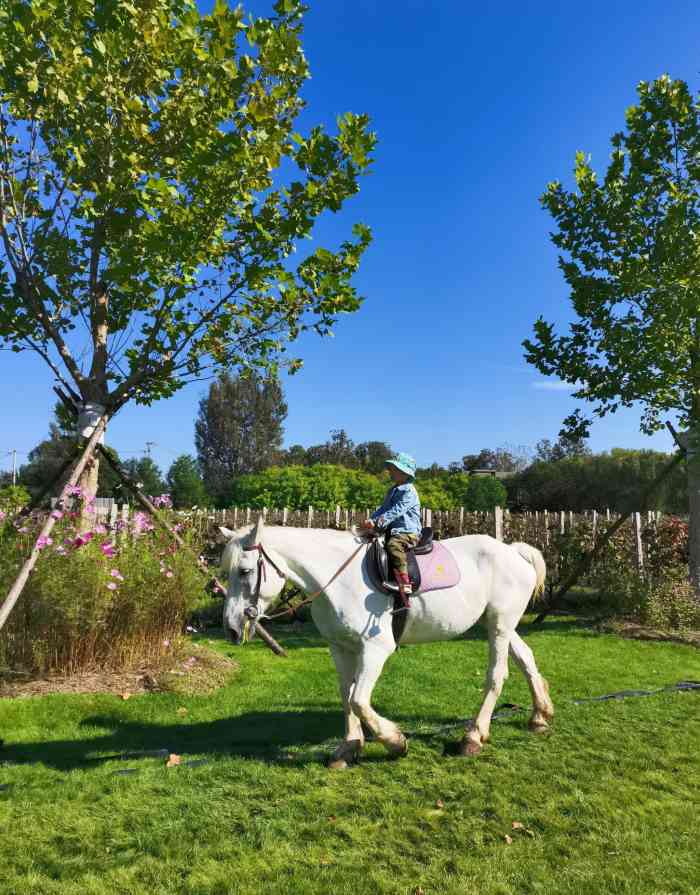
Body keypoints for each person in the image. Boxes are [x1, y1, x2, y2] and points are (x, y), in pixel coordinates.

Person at [363, 452, 421, 607]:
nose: (390, 471)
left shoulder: (409, 491)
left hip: (407, 532)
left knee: (393, 545)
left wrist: (378, 522)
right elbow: (384, 508)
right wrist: (371, 519)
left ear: (404, 473)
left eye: (394, 469)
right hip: (393, 529)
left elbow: (396, 510)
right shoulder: (393, 490)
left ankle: (404, 583)